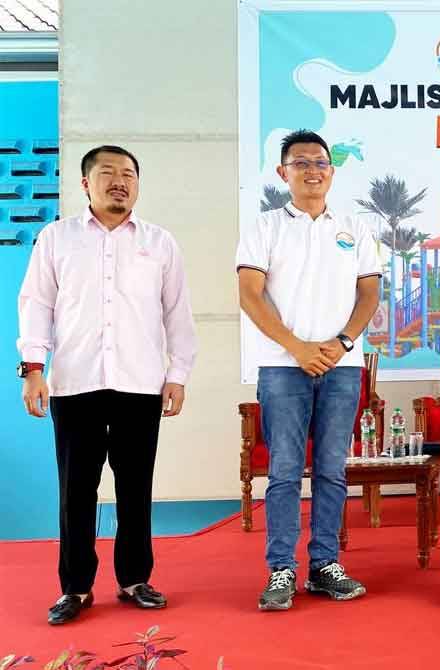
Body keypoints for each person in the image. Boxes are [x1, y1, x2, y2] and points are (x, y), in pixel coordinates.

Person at [18, 145, 197, 625]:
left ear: (138, 183)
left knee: (136, 488)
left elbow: (177, 313)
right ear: (85, 183)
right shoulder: (57, 239)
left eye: (129, 174)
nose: (120, 181)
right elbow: (36, 304)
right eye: (108, 173)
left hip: (140, 385)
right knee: (76, 491)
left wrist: (177, 374)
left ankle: (135, 579)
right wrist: (33, 367)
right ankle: (75, 588)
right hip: (75, 383)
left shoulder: (160, 243)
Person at [237, 129, 380, 610]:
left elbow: (369, 294)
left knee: (332, 469)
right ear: (283, 173)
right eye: (301, 163)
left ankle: (325, 566)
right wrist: (297, 347)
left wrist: (341, 343)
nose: (312, 170)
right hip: (283, 366)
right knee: (283, 471)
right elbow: (250, 295)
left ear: (332, 172)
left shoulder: (355, 227)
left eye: (320, 162)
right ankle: (281, 570)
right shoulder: (265, 226)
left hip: (342, 366)